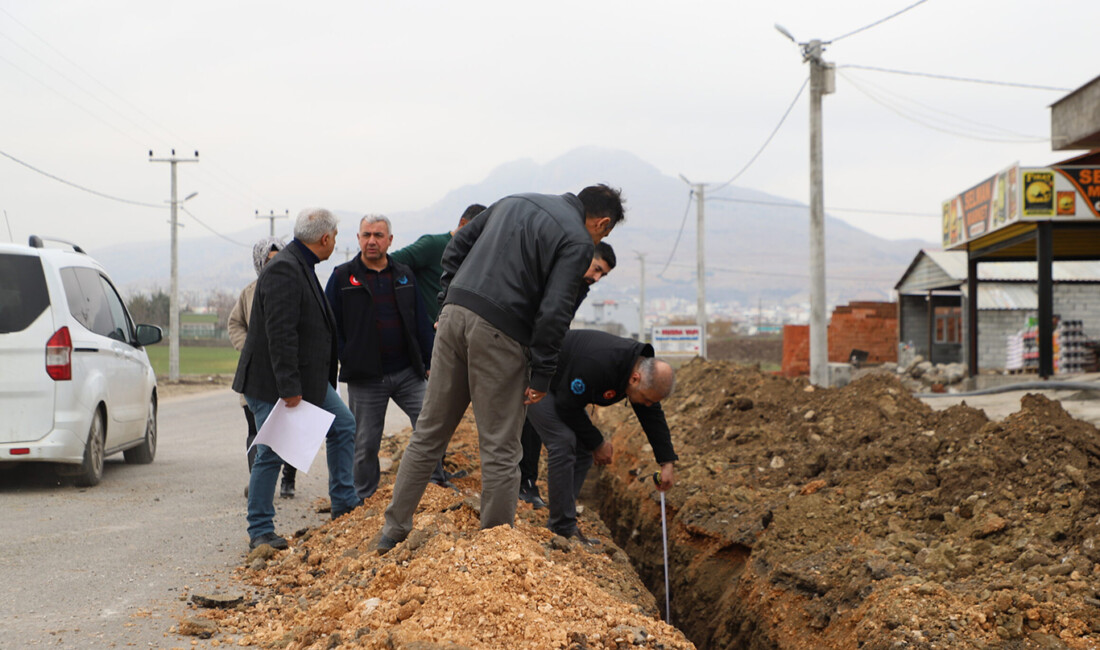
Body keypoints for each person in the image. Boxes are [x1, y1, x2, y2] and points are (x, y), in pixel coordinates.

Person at [377, 184, 625, 552]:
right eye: (604, 232)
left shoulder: (514, 200)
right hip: (501, 334)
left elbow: (457, 246)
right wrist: (542, 374)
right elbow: (555, 311)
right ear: (602, 222)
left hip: (454, 319)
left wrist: (447, 300)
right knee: (501, 446)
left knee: (428, 433)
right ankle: (495, 548)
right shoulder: (576, 240)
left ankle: (392, 532)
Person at [232, 208, 359, 551]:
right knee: (271, 452)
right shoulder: (286, 269)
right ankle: (259, 530)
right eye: (336, 236)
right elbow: (280, 332)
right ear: (326, 238)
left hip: (307, 381)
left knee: (343, 425)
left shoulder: (301, 265)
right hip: (274, 384)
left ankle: (345, 504)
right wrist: (289, 388)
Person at [324, 214, 447, 501]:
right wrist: (348, 356)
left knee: (430, 426)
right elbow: (330, 325)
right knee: (366, 442)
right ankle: (365, 496)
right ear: (357, 238)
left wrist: (429, 362)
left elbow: (420, 319)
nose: (371, 241)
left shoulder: (404, 274)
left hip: (408, 372)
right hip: (367, 377)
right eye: (366, 235)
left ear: (390, 240)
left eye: (378, 236)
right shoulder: (343, 277)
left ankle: (435, 487)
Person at [526, 329, 678, 543]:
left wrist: (667, 462)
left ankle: (564, 519)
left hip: (563, 386)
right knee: (563, 441)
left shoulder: (640, 374)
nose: (646, 404)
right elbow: (566, 405)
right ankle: (561, 526)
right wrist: (597, 442)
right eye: (645, 399)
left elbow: (652, 415)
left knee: (583, 450)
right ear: (635, 379)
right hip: (538, 378)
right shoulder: (600, 363)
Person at [519, 241, 617, 509]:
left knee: (533, 419)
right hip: (524, 349)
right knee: (534, 421)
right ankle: (522, 484)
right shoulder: (559, 272)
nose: (596, 278)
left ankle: (526, 484)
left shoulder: (580, 286)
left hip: (544, 354)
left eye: (602, 275)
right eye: (596, 269)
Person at [228, 236, 298, 499]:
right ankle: (258, 482)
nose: (274, 265)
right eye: (269, 260)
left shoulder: (293, 288)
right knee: (256, 431)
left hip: (287, 373)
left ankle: (288, 480)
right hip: (256, 374)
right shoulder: (249, 292)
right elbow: (235, 323)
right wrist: (250, 347)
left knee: (288, 429)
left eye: (279, 259)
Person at [389, 204, 484, 322]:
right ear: (463, 223)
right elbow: (391, 261)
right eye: (478, 231)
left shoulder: (475, 256)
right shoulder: (433, 245)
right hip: (428, 331)